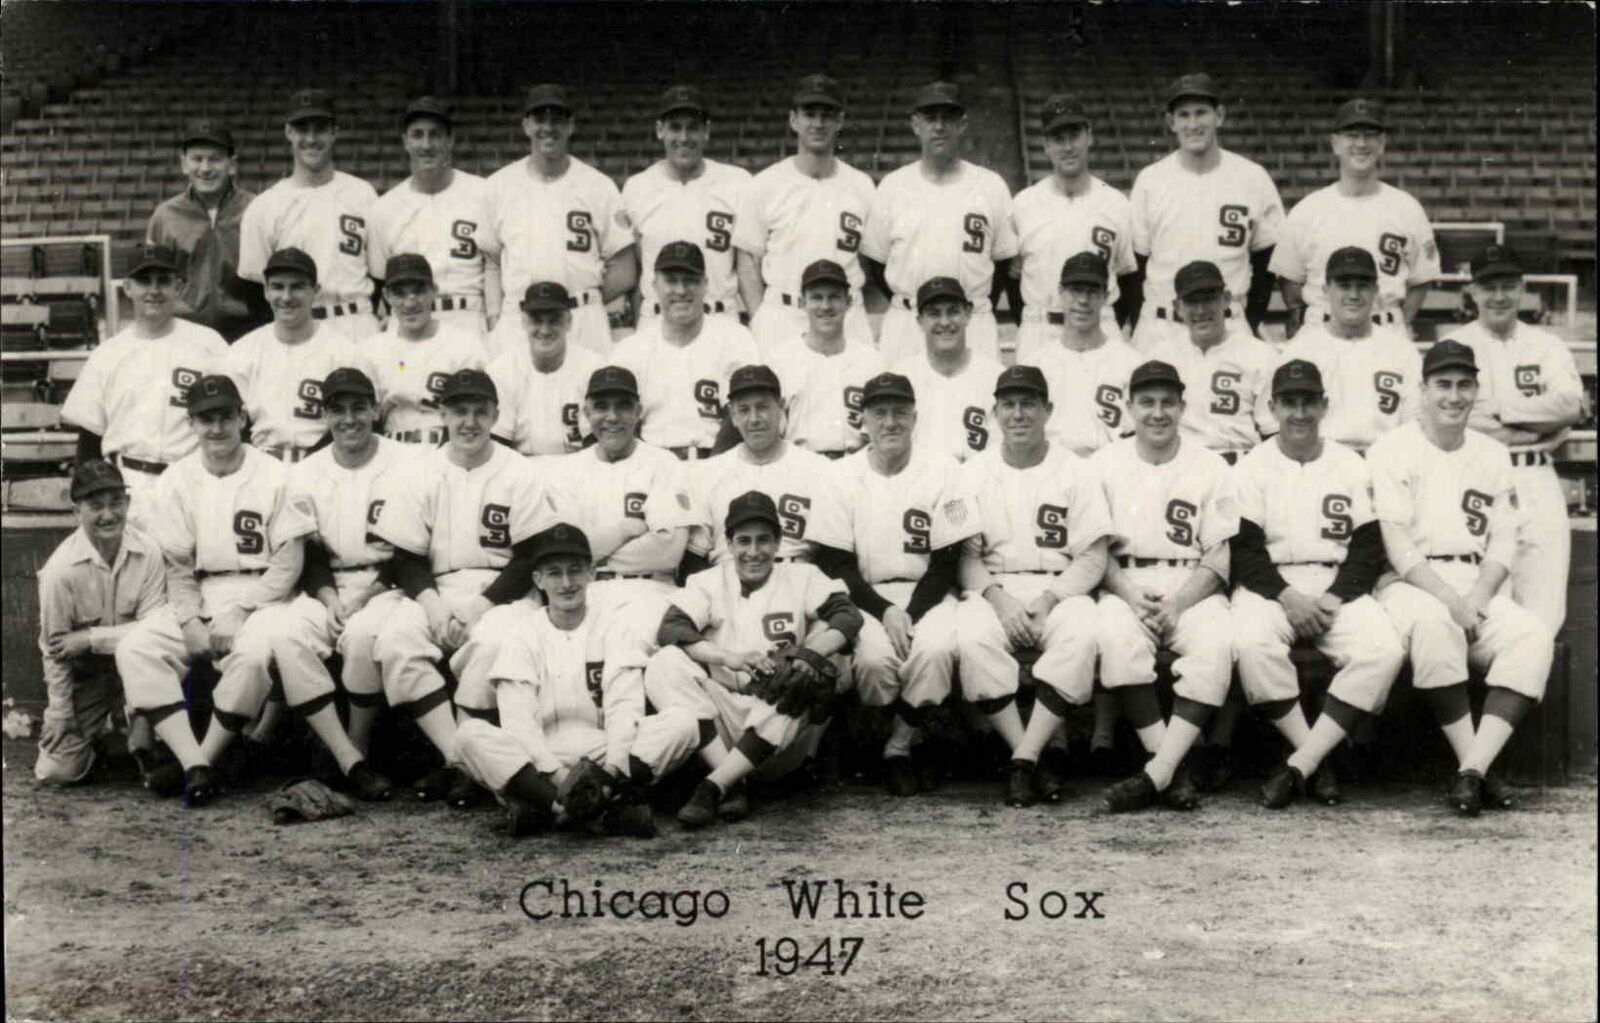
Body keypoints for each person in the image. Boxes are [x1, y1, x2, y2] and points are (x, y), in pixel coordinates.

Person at [114, 375, 380, 806]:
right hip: (201, 591)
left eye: (224, 416)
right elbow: (178, 566)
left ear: (242, 417)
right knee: (136, 648)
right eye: (206, 419)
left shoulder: (277, 474)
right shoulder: (176, 480)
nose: (216, 428)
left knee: (255, 654)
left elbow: (288, 563)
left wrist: (241, 610)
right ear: (192, 424)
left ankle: (203, 761)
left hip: (266, 593)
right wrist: (190, 620)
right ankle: (193, 762)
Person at [1369, 340, 1556, 815]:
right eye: (1443, 385)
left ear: (1476, 391)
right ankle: (1478, 771)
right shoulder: (1391, 449)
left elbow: (1503, 541)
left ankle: (1471, 770)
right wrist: (1453, 601)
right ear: (1424, 390)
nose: (1453, 396)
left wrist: (1476, 595)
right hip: (1410, 582)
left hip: (1476, 581)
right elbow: (1396, 543)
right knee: (1435, 625)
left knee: (1532, 637)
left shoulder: (1493, 453)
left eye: (1463, 385)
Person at [370, 369, 565, 803]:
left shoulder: (519, 471)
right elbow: (406, 557)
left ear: (496, 415)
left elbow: (531, 556)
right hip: (434, 588)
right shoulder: (421, 470)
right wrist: (435, 607)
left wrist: (479, 606)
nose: (470, 422)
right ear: (443, 414)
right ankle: (462, 760)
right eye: (460, 411)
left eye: (480, 412)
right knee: (396, 640)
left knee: (494, 643)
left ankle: (466, 765)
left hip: (501, 591)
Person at [1231, 360, 1405, 809]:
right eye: (1290, 402)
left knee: (1384, 649)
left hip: (1335, 583)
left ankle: (1301, 763)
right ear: (1272, 408)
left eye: (1309, 401)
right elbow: (1245, 550)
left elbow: (1368, 548)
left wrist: (1332, 597)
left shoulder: (1350, 463)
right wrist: (1288, 597)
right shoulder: (1251, 466)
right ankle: (1317, 758)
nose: (1300, 413)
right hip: (1272, 585)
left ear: (1325, 405)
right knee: (1252, 645)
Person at [454, 523, 702, 838]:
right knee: (468, 736)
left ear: (592, 574)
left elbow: (624, 708)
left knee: (683, 723)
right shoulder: (521, 632)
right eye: (555, 573)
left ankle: (544, 810)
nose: (567, 583)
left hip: (602, 753)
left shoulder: (615, 627)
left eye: (575, 570)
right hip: (540, 755)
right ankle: (594, 812)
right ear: (538, 579)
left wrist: (609, 771)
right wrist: (559, 779)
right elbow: (519, 723)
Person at [644, 491, 862, 828]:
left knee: (803, 675)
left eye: (763, 540)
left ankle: (712, 786)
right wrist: (727, 657)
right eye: (743, 541)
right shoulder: (707, 581)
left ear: (778, 543)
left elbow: (847, 616)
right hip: (720, 721)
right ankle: (732, 781)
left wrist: (809, 653)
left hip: (779, 725)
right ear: (728, 545)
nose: (753, 552)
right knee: (665, 662)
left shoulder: (802, 576)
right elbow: (672, 628)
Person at [955, 366, 1113, 806]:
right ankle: (1035, 757)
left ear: (1048, 410)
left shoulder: (1077, 470)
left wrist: (1048, 599)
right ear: (995, 412)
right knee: (969, 638)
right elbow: (963, 558)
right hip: (993, 587)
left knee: (1084, 635)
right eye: (1009, 405)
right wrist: (999, 601)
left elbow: (1093, 556)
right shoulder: (969, 472)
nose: (1019, 414)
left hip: (1058, 588)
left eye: (1029, 404)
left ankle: (1022, 760)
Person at [813, 371, 975, 795]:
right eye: (879, 413)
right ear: (863, 419)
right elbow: (834, 563)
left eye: (900, 412)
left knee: (936, 649)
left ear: (914, 417)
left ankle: (897, 749)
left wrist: (909, 614)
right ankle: (902, 735)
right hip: (865, 596)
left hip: (930, 593)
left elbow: (948, 559)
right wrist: (886, 612)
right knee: (873, 662)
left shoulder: (944, 469)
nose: (890, 422)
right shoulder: (839, 475)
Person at [1093, 360, 1238, 813]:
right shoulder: (1104, 462)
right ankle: (1174, 766)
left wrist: (1178, 603)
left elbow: (1219, 553)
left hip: (1191, 582)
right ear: (1129, 407)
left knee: (1216, 646)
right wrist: (1132, 595)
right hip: (1125, 581)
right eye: (1147, 402)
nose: (1158, 413)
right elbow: (1096, 549)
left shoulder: (1210, 462)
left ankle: (1156, 773)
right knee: (1116, 642)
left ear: (1182, 407)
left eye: (1168, 403)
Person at [269, 368, 419, 765]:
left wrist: (369, 595)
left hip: (388, 583)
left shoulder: (408, 461)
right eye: (338, 410)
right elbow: (311, 550)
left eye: (358, 408)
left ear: (375, 411)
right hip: (330, 584)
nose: (349, 419)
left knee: (359, 638)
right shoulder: (305, 471)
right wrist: (328, 595)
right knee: (288, 635)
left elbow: (413, 546)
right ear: (325, 415)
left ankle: (360, 744)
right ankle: (343, 754)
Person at [1455, 245, 1584, 635]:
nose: (1498, 297)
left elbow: (1569, 405)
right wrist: (1535, 422)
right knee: (1485, 608)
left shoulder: (1546, 345)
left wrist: (1499, 409)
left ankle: (1532, 694)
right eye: (1489, 286)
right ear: (1472, 291)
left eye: (1508, 286)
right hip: (1476, 477)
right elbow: (1455, 419)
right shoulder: (1457, 346)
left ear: (1521, 289)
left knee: (1544, 606)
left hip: (1535, 478)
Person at [61, 242, 229, 524]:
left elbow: (236, 417)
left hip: (194, 479)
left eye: (163, 281)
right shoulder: (107, 354)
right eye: (143, 281)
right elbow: (89, 440)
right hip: (127, 483)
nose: (154, 290)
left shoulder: (209, 344)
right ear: (127, 287)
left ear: (179, 287)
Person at [862, 81, 1018, 365]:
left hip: (973, 320)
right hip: (908, 320)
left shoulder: (990, 185)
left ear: (963, 124)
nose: (939, 126)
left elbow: (1004, 263)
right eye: (930, 118)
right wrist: (917, 302)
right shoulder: (893, 186)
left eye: (948, 118)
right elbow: (877, 262)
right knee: (902, 406)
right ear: (915, 124)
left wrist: (969, 305)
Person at [1128, 73, 1283, 352]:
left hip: (1228, 322)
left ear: (1219, 116)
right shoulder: (1151, 180)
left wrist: (1246, 319)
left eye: (1201, 113)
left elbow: (1266, 264)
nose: (1193, 124)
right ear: (1171, 122)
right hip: (1163, 325)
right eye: (1184, 115)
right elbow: (1135, 265)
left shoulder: (1252, 178)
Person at [34, 461, 166, 788]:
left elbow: (156, 629)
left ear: (128, 503)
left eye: (116, 503)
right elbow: (55, 650)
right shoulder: (59, 570)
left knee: (164, 760)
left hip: (141, 669)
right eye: (95, 506)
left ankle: (146, 731)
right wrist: (61, 710)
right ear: (76, 509)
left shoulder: (148, 552)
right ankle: (97, 746)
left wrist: (91, 637)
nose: (108, 515)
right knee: (56, 771)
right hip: (90, 675)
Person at [482, 83, 637, 357]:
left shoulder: (598, 185)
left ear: (571, 126)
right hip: (520, 317)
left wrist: (587, 297)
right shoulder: (498, 186)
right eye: (540, 119)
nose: (548, 128)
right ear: (526, 125)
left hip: (581, 315)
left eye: (557, 120)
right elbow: (492, 262)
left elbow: (625, 270)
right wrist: (495, 316)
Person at [1270, 98, 1439, 340]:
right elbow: (1290, 283)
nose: (1361, 143)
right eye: (1351, 135)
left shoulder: (1407, 208)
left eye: (1370, 135)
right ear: (1335, 143)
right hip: (1321, 331)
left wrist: (1401, 322)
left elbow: (1420, 280)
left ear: (1382, 143)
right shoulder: (1307, 210)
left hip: (1386, 330)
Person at [734, 74, 877, 355]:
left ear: (840, 121)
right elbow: (748, 258)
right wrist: (759, 316)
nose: (818, 123)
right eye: (810, 114)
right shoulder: (765, 183)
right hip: (783, 313)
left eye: (827, 115)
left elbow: (871, 259)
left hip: (845, 313)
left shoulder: (861, 185)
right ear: (793, 120)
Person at [543, 366, 696, 620]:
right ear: (587, 413)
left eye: (623, 406)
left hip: (650, 591)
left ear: (638, 412)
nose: (612, 417)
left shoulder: (665, 464)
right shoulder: (564, 472)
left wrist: (592, 559)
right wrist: (625, 530)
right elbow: (564, 553)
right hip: (585, 595)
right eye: (601, 407)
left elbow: (667, 551)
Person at [238, 89, 379, 340]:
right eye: (303, 129)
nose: (312, 138)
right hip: (298, 326)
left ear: (335, 132)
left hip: (357, 322)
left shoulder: (362, 194)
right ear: (289, 132)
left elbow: (379, 273)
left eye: (321, 129)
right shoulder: (264, 206)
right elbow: (254, 289)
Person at [1011, 94, 1136, 364]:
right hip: (1040, 327)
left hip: (1101, 324)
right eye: (1058, 138)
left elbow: (1128, 278)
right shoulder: (1023, 204)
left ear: (1089, 136)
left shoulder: (1116, 203)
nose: (1068, 147)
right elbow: (1012, 280)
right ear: (1045, 145)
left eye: (1074, 135)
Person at [687, 364, 850, 569]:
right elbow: (694, 559)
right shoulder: (707, 473)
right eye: (744, 410)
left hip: (795, 577)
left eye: (762, 407)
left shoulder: (818, 469)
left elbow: (833, 557)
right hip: (727, 579)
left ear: (780, 407)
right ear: (733, 415)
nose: (754, 419)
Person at [610, 241, 759, 459]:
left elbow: (745, 410)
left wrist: (714, 467)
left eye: (690, 281)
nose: (681, 290)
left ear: (705, 285)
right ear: (654, 286)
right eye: (671, 281)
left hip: (717, 460)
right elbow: (621, 422)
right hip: (652, 465)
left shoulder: (735, 339)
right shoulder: (630, 350)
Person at [621, 85, 751, 334]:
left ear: (707, 132)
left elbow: (746, 265)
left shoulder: (737, 183)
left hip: (719, 317)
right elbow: (638, 270)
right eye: (675, 127)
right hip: (658, 320)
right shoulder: (637, 188)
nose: (683, 137)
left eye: (692, 127)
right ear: (660, 130)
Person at [368, 97, 495, 339]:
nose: (426, 145)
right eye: (417, 135)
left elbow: (494, 267)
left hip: (467, 317)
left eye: (435, 135)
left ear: (450, 140)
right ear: (405, 141)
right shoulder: (384, 208)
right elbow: (379, 279)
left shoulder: (483, 194)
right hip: (408, 321)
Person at [1278, 247, 1422, 452]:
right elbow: (1277, 423)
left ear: (1376, 290)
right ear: (1326, 290)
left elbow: (1414, 424)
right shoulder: (1301, 350)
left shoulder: (1402, 352)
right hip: (1321, 462)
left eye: (1362, 286)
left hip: (1385, 460)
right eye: (1344, 286)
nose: (1354, 295)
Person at [226, 248, 357, 462]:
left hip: (326, 465)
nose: (286, 297)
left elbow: (354, 420)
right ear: (266, 291)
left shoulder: (343, 352)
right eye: (278, 287)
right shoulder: (242, 351)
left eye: (297, 287)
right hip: (261, 464)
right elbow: (231, 419)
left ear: (316, 291)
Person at [1146, 260, 1277, 464]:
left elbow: (1273, 432)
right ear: (1178, 307)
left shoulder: (1260, 354)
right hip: (1181, 465)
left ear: (1226, 299)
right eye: (1191, 301)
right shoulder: (1160, 356)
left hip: (1238, 463)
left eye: (1209, 299)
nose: (1200, 310)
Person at [146, 119, 263, 341]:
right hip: (185, 335)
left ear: (232, 164)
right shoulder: (165, 216)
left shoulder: (256, 209)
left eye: (215, 159)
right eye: (197, 159)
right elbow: (155, 280)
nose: (205, 168)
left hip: (248, 334)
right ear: (184, 164)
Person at [360, 253, 490, 447]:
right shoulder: (370, 350)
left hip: (448, 449)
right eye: (400, 293)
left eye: (418, 291)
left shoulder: (465, 345)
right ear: (386, 296)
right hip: (392, 449)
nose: (410, 302)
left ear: (434, 291)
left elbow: (482, 414)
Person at [765, 259, 885, 459]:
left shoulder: (871, 361)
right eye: (817, 298)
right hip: (800, 466)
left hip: (856, 465)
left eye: (834, 297)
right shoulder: (780, 359)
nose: (826, 306)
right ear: (803, 303)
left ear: (848, 302)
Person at [1030, 252, 1144, 457]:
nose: (1083, 300)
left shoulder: (1131, 363)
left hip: (1113, 467)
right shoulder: (1036, 364)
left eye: (1092, 292)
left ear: (1105, 297)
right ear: (1060, 293)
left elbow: (1138, 435)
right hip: (1053, 470)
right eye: (1075, 290)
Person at [889, 276, 1005, 464]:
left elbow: (1003, 449)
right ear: (920, 321)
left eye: (953, 312)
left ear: (967, 314)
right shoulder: (902, 376)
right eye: (934, 313)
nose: (944, 322)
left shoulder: (995, 376)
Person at [485, 282, 603, 456]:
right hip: (520, 469)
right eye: (536, 320)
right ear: (524, 322)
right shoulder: (502, 370)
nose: (545, 330)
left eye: (554, 320)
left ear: (569, 322)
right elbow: (498, 444)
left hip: (578, 468)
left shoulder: (592, 368)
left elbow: (597, 442)